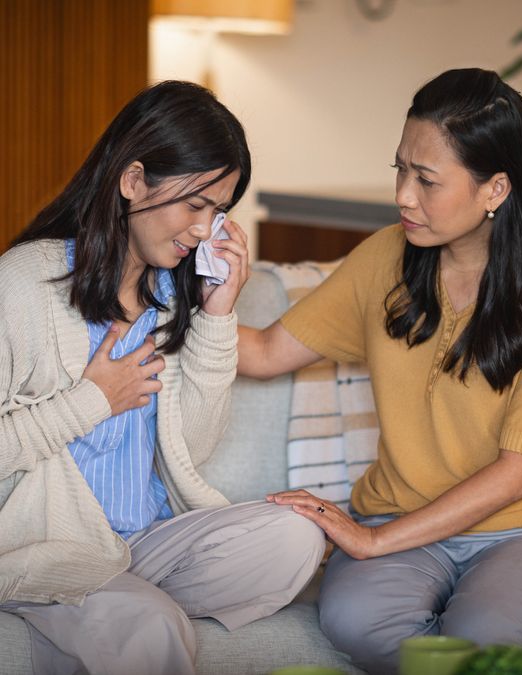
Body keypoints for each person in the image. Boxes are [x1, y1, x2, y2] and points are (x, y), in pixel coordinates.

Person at [236, 68, 522, 674]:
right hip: (397, 515)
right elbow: (266, 353)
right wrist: (165, 309)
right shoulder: (383, 258)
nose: (404, 194)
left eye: (426, 179)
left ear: (495, 189)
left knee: (483, 638)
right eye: (400, 169)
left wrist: (369, 542)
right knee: (355, 623)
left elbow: (520, 474)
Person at [0, 80, 325, 675]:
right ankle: (108, 609)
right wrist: (91, 401)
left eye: (218, 211)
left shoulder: (171, 297)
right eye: (195, 205)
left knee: (296, 537)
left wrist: (218, 315)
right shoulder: (25, 284)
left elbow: (192, 450)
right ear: (132, 180)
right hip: (46, 547)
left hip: (144, 543)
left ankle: (106, 613)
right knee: (153, 625)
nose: (205, 230)